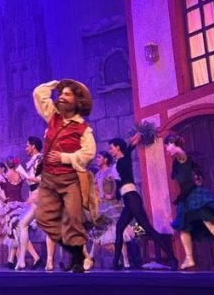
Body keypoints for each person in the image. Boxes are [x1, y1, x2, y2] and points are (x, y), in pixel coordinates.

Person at [31, 79, 98, 273]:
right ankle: (76, 253)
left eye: (67, 94)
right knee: (44, 219)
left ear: (77, 101)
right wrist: (56, 84)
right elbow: (38, 93)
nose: (61, 97)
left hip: (70, 180)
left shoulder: (83, 128)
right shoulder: (53, 116)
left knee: (73, 221)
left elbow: (89, 153)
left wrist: (65, 157)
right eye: (61, 94)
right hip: (49, 179)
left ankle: (77, 260)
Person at [164, 134, 214, 273]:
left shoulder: (183, 157)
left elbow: (182, 155)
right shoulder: (175, 162)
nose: (167, 150)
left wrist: (177, 148)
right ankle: (189, 258)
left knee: (213, 228)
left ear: (173, 144)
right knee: (183, 227)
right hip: (186, 198)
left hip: (196, 197)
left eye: (167, 146)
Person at [109, 134, 178, 270]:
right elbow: (118, 186)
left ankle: (172, 257)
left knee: (146, 228)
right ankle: (116, 263)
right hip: (127, 200)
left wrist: (139, 134)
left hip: (133, 198)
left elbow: (132, 144)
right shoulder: (115, 165)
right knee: (119, 228)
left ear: (118, 148)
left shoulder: (125, 158)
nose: (110, 150)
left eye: (112, 148)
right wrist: (114, 195)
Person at [0, 159, 29, 268]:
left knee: (12, 233)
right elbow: (30, 183)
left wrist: (3, 199)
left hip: (9, 206)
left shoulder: (3, 177)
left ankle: (18, 260)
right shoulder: (20, 175)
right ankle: (11, 260)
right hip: (20, 206)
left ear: (5, 166)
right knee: (15, 232)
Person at [87, 151, 132, 268]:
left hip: (112, 206)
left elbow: (117, 183)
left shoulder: (111, 170)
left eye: (99, 157)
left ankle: (126, 261)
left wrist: (112, 193)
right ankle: (91, 257)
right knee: (98, 234)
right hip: (103, 207)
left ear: (105, 159)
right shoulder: (98, 174)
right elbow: (95, 188)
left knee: (119, 233)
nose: (97, 159)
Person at [15, 136, 48, 271]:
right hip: (35, 195)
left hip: (40, 195)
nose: (26, 148)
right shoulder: (34, 161)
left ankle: (24, 260)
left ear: (33, 146)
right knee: (21, 225)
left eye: (27, 145)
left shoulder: (40, 159)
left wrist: (28, 177)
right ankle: (22, 260)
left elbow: (42, 178)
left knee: (22, 224)